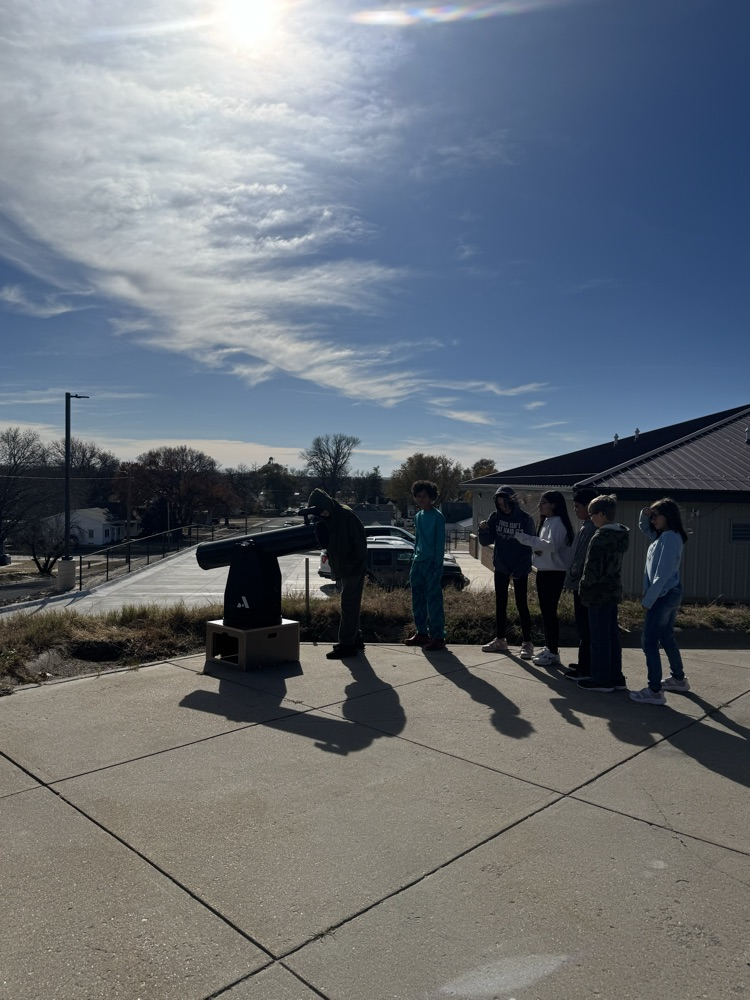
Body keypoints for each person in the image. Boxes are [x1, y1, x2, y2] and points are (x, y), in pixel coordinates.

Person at [629, 498, 690, 705]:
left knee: (649, 641)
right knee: (666, 637)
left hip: (663, 595)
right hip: (669, 593)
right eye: (652, 516)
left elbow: (662, 573)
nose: (652, 520)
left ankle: (654, 690)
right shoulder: (663, 536)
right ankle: (678, 679)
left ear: (668, 516)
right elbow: (643, 526)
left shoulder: (670, 538)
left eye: (656, 516)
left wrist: (649, 599)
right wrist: (644, 514)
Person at [577, 494, 630, 693]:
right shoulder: (620, 535)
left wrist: (583, 589)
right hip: (613, 591)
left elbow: (592, 569)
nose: (590, 518)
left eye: (592, 514)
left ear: (600, 514)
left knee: (598, 639)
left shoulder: (600, 537)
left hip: (597, 594)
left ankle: (601, 679)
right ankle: (616, 677)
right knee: (612, 637)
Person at [516, 490, 575, 666]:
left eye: (543, 503)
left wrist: (525, 539)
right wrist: (536, 546)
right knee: (546, 612)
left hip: (554, 572)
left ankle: (553, 651)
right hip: (545, 570)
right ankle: (550, 648)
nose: (539, 506)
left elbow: (552, 546)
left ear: (554, 505)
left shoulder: (557, 522)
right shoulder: (549, 521)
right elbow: (544, 547)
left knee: (549, 612)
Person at [308, 487, 367, 659]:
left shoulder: (345, 515)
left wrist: (352, 563)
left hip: (353, 569)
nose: (322, 514)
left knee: (348, 605)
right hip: (343, 568)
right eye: (319, 513)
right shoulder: (330, 517)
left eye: (322, 510)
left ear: (326, 503)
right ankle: (356, 638)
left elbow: (360, 543)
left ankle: (346, 645)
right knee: (351, 606)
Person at [477, 486, 536, 658]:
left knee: (521, 604)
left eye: (506, 504)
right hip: (501, 566)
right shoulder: (495, 517)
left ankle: (527, 643)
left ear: (513, 501)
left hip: (520, 567)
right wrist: (483, 529)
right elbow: (486, 541)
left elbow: (529, 545)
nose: (503, 507)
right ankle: (501, 640)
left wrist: (518, 570)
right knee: (500, 604)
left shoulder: (525, 519)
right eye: (500, 504)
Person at [404, 480, 447, 651]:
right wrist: (414, 558)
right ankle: (422, 633)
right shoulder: (418, 516)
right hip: (418, 561)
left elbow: (439, 543)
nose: (421, 499)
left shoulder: (438, 517)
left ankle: (438, 636)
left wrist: (437, 565)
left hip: (432, 563)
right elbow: (418, 540)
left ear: (432, 498)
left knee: (434, 600)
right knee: (417, 598)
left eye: (425, 496)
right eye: (418, 496)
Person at [562, 487, 599, 680]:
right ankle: (583, 663)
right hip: (580, 585)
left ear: (589, 506)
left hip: (583, 587)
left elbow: (581, 558)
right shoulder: (587, 525)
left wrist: (571, 578)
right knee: (583, 628)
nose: (575, 510)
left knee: (586, 629)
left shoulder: (591, 528)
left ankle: (586, 668)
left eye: (577, 506)